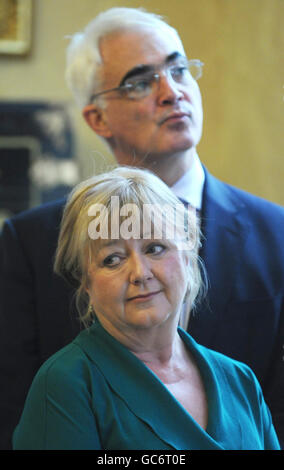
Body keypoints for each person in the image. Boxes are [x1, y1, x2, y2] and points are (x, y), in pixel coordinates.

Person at [0, 7, 283, 449]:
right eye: (140, 81)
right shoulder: (30, 242)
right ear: (97, 118)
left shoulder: (278, 234)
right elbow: (12, 408)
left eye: (178, 69)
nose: (172, 92)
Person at [12, 166, 280, 450]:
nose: (140, 273)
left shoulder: (239, 379)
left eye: (155, 248)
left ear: (188, 258)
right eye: (112, 259)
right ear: (85, 281)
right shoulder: (67, 384)